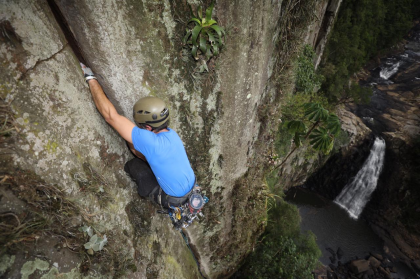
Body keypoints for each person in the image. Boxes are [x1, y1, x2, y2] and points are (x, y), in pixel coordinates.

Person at [80, 63, 196, 208]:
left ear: (147, 127)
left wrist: (90, 77)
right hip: (191, 189)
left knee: (133, 166)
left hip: (172, 199)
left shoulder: (151, 142)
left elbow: (110, 116)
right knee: (142, 157)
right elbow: (143, 153)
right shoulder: (172, 135)